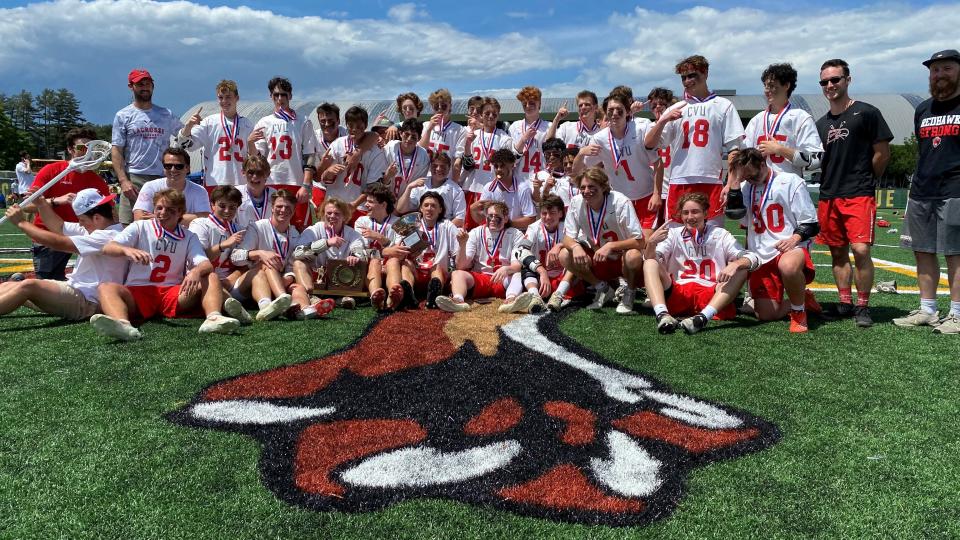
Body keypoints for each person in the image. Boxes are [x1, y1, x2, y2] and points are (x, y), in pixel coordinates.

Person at [92, 189, 240, 341]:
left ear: (180, 212)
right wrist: (126, 250)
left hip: (172, 292)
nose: (163, 213)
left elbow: (206, 264)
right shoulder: (140, 227)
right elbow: (108, 248)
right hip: (138, 290)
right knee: (106, 287)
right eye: (159, 208)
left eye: (170, 209)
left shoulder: (188, 236)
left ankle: (213, 318)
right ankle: (123, 326)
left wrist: (195, 272)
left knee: (210, 275)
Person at [815, 58, 893, 326]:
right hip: (828, 195)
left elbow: (882, 153)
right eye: (824, 81)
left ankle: (863, 306)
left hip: (858, 193)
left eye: (835, 79)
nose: (830, 85)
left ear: (848, 80)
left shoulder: (867, 112)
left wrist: (866, 179)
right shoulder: (821, 123)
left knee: (860, 250)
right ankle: (845, 303)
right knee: (837, 253)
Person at [894, 49, 960, 334]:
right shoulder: (923, 109)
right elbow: (924, 153)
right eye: (935, 70)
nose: (939, 74)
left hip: (956, 190)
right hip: (922, 191)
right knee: (922, 251)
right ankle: (928, 309)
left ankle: (957, 314)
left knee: (955, 253)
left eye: (947, 68)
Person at [728, 148, 823, 333]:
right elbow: (735, 215)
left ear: (763, 163)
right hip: (761, 253)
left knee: (788, 265)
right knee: (766, 315)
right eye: (744, 176)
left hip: (791, 246)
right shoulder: (746, 187)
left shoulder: (790, 181)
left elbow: (811, 223)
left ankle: (798, 312)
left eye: (751, 174)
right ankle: (805, 299)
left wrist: (794, 238)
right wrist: (734, 182)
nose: (749, 179)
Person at [644, 55, 745, 225]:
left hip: (711, 179)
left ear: (705, 73)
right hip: (679, 180)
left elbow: (734, 149)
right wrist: (662, 120)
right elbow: (649, 144)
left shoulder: (723, 105)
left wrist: (731, 183)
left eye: (692, 75)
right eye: (683, 77)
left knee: (712, 239)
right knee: (677, 238)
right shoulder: (676, 108)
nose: (687, 81)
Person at [643, 193, 759, 335]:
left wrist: (736, 264)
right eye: (685, 213)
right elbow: (650, 259)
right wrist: (651, 243)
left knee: (741, 269)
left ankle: (702, 319)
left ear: (705, 213)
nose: (690, 217)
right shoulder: (674, 234)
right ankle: (662, 315)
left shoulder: (720, 234)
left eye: (695, 212)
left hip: (712, 294)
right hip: (679, 293)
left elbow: (753, 258)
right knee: (649, 262)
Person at [1, 190, 125, 320]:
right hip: (78, 292)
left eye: (81, 220)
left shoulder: (108, 236)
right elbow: (59, 227)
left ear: (97, 218)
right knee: (9, 285)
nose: (80, 224)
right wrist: (42, 204)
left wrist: (22, 223)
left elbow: (59, 243)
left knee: (28, 286)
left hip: (87, 300)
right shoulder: (100, 228)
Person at [727, 63, 824, 218]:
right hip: (756, 192)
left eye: (772, 85)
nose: (767, 90)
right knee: (754, 240)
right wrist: (732, 182)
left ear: (786, 85)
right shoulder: (756, 120)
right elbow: (742, 160)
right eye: (765, 86)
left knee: (786, 240)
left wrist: (780, 150)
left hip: (786, 192)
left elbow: (816, 159)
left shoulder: (800, 117)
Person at [23, 128, 111, 280]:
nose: (87, 152)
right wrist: (56, 201)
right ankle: (19, 285)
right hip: (47, 236)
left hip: (75, 236)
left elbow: (108, 213)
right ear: (70, 149)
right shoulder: (52, 170)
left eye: (91, 147)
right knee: (46, 283)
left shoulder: (97, 180)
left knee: (73, 282)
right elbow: (27, 206)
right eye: (82, 147)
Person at [230, 189, 331, 320]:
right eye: (279, 206)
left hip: (277, 283)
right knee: (267, 263)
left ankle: (303, 309)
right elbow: (235, 257)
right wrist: (259, 253)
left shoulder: (294, 234)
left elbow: (291, 265)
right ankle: (280, 302)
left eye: (288, 208)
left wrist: (289, 277)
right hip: (251, 283)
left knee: (298, 287)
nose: (283, 210)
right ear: (272, 208)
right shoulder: (257, 227)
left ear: (293, 211)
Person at [560, 167, 645, 314]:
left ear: (604, 186)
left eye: (592, 186)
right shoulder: (576, 202)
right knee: (564, 255)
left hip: (622, 260)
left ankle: (629, 293)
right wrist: (575, 247)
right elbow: (567, 237)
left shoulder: (620, 201)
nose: (586, 191)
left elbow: (640, 242)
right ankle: (603, 289)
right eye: (583, 187)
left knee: (633, 256)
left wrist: (611, 245)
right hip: (598, 259)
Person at [574, 92, 660, 238]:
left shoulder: (641, 127)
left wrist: (657, 193)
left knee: (645, 242)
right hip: (620, 201)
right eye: (610, 110)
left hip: (646, 196)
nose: (614, 114)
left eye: (619, 110)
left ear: (627, 112)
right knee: (628, 247)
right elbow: (578, 171)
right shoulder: (599, 138)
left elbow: (658, 162)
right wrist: (581, 153)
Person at [111, 68, 184, 224]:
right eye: (140, 84)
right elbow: (117, 149)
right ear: (131, 86)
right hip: (134, 178)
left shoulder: (166, 114)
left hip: (162, 176)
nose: (145, 87)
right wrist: (123, 181)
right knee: (130, 224)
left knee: (163, 223)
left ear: (153, 86)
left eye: (148, 83)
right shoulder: (123, 115)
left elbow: (184, 135)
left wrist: (194, 126)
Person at [249, 77, 319, 231]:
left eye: (283, 95)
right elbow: (258, 159)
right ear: (271, 97)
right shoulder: (264, 122)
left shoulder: (303, 121)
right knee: (272, 226)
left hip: (296, 181)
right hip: (271, 181)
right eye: (276, 95)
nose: (280, 99)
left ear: (290, 96)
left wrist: (306, 185)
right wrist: (250, 143)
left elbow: (310, 156)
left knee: (300, 227)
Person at [435, 201, 527, 312]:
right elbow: (461, 266)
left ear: (506, 218)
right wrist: (462, 244)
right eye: (490, 216)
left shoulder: (515, 234)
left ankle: (511, 301)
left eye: (497, 216)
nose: (493, 219)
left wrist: (507, 269)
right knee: (457, 273)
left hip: (504, 279)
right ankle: (458, 301)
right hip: (481, 278)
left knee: (518, 274)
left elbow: (517, 265)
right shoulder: (475, 232)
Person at [187, 185, 253, 325]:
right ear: (212, 205)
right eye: (222, 206)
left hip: (230, 281)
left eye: (232, 207)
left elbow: (244, 264)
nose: (227, 211)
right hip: (203, 281)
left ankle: (265, 303)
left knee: (258, 267)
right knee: (210, 277)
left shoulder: (239, 229)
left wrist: (229, 280)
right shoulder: (200, 224)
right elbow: (199, 260)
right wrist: (224, 245)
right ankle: (233, 307)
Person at [387, 191, 459, 309]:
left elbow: (456, 252)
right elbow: (397, 250)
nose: (429, 209)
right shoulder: (409, 224)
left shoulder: (447, 225)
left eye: (433, 206)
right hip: (416, 271)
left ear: (440, 209)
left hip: (436, 272)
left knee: (437, 266)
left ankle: (433, 298)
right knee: (405, 265)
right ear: (420, 208)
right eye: (426, 205)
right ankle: (408, 294)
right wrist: (404, 248)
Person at [317, 106, 387, 223]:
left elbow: (373, 186)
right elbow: (323, 179)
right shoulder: (337, 144)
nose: (354, 130)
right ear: (346, 125)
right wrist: (328, 172)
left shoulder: (376, 151)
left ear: (365, 126)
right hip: (334, 204)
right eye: (350, 126)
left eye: (359, 126)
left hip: (360, 207)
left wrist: (354, 204)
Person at [296, 198, 368, 309]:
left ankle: (339, 299)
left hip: (342, 282)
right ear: (323, 214)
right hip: (316, 280)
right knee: (298, 263)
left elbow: (360, 250)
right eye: (328, 213)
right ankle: (311, 296)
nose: (332, 216)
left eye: (337, 213)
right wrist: (326, 243)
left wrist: (354, 256)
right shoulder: (314, 230)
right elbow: (298, 252)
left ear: (344, 216)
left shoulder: (352, 234)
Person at [182, 80, 254, 191]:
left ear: (237, 98)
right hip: (215, 182)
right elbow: (189, 146)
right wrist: (188, 126)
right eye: (221, 97)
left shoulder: (247, 124)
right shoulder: (209, 122)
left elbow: (255, 155)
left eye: (228, 97)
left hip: (240, 183)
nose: (224, 101)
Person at [460, 97, 514, 228]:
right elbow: (467, 165)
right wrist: (468, 144)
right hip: (473, 187)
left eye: (494, 114)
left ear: (498, 115)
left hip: (493, 190)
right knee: (471, 229)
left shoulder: (504, 138)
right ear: (481, 115)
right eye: (487, 113)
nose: (490, 116)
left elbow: (506, 169)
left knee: (492, 228)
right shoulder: (472, 134)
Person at [526, 195, 579, 311]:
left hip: (564, 277)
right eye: (544, 213)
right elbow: (521, 251)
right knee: (524, 261)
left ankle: (558, 295)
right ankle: (535, 296)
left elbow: (582, 243)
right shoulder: (533, 228)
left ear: (561, 213)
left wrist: (560, 245)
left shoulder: (568, 226)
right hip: (541, 279)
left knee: (575, 255)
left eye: (552, 213)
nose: (548, 217)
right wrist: (541, 270)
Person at [133, 147, 210, 225]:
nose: (173, 170)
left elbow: (204, 218)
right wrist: (185, 219)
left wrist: (165, 218)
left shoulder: (199, 190)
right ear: (163, 168)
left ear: (187, 168)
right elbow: (139, 217)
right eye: (168, 166)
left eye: (179, 166)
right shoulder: (150, 186)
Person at [351, 185, 399, 311]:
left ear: (383, 205)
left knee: (393, 261)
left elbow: (399, 252)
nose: (366, 205)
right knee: (375, 261)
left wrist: (380, 238)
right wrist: (387, 250)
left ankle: (393, 296)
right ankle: (375, 296)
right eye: (366, 201)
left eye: (370, 202)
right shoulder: (361, 221)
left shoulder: (398, 222)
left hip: (391, 266)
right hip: (369, 266)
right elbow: (360, 251)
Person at [397, 152, 466, 226]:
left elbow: (459, 219)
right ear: (430, 167)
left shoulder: (456, 190)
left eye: (442, 166)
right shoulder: (420, 184)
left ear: (449, 168)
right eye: (435, 166)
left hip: (443, 230)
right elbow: (401, 209)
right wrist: (409, 188)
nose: (438, 169)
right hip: (421, 228)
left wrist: (442, 231)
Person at [475, 149, 537, 230]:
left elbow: (531, 219)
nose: (499, 170)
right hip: (494, 232)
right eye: (496, 166)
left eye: (502, 166)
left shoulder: (523, 188)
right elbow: (482, 219)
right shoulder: (488, 188)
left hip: (516, 233)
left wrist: (506, 223)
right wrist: (473, 211)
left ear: (512, 165)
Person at [419, 88, 467, 182]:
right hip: (425, 178)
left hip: (446, 179)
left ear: (450, 106)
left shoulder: (459, 130)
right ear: (432, 107)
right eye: (436, 106)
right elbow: (420, 149)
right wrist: (429, 129)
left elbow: (457, 161)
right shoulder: (425, 125)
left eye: (444, 106)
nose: (440, 109)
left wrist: (454, 184)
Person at [647, 88, 677, 226]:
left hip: (673, 188)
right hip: (652, 190)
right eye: (654, 104)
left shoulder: (677, 125)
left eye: (662, 104)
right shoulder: (647, 128)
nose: (657, 107)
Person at [384, 119, 430, 198]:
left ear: (419, 138)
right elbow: (379, 180)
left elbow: (420, 186)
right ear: (401, 133)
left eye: (413, 137)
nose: (409, 139)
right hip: (386, 198)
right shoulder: (390, 148)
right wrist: (387, 176)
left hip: (408, 201)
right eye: (406, 134)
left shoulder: (423, 156)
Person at [509, 86, 551, 175]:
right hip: (519, 181)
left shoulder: (549, 127)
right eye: (524, 104)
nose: (528, 106)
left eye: (532, 103)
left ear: (539, 104)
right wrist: (523, 140)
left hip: (541, 179)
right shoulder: (514, 127)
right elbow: (510, 160)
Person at [530, 137, 579, 209]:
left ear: (563, 154)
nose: (551, 157)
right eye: (548, 154)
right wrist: (538, 189)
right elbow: (538, 203)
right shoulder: (539, 176)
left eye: (556, 154)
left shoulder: (571, 174)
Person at [236, 154, 276, 229]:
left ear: (267, 174)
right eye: (251, 172)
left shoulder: (274, 195)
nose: (255, 176)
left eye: (259, 172)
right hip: (243, 238)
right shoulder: (236, 193)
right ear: (243, 172)